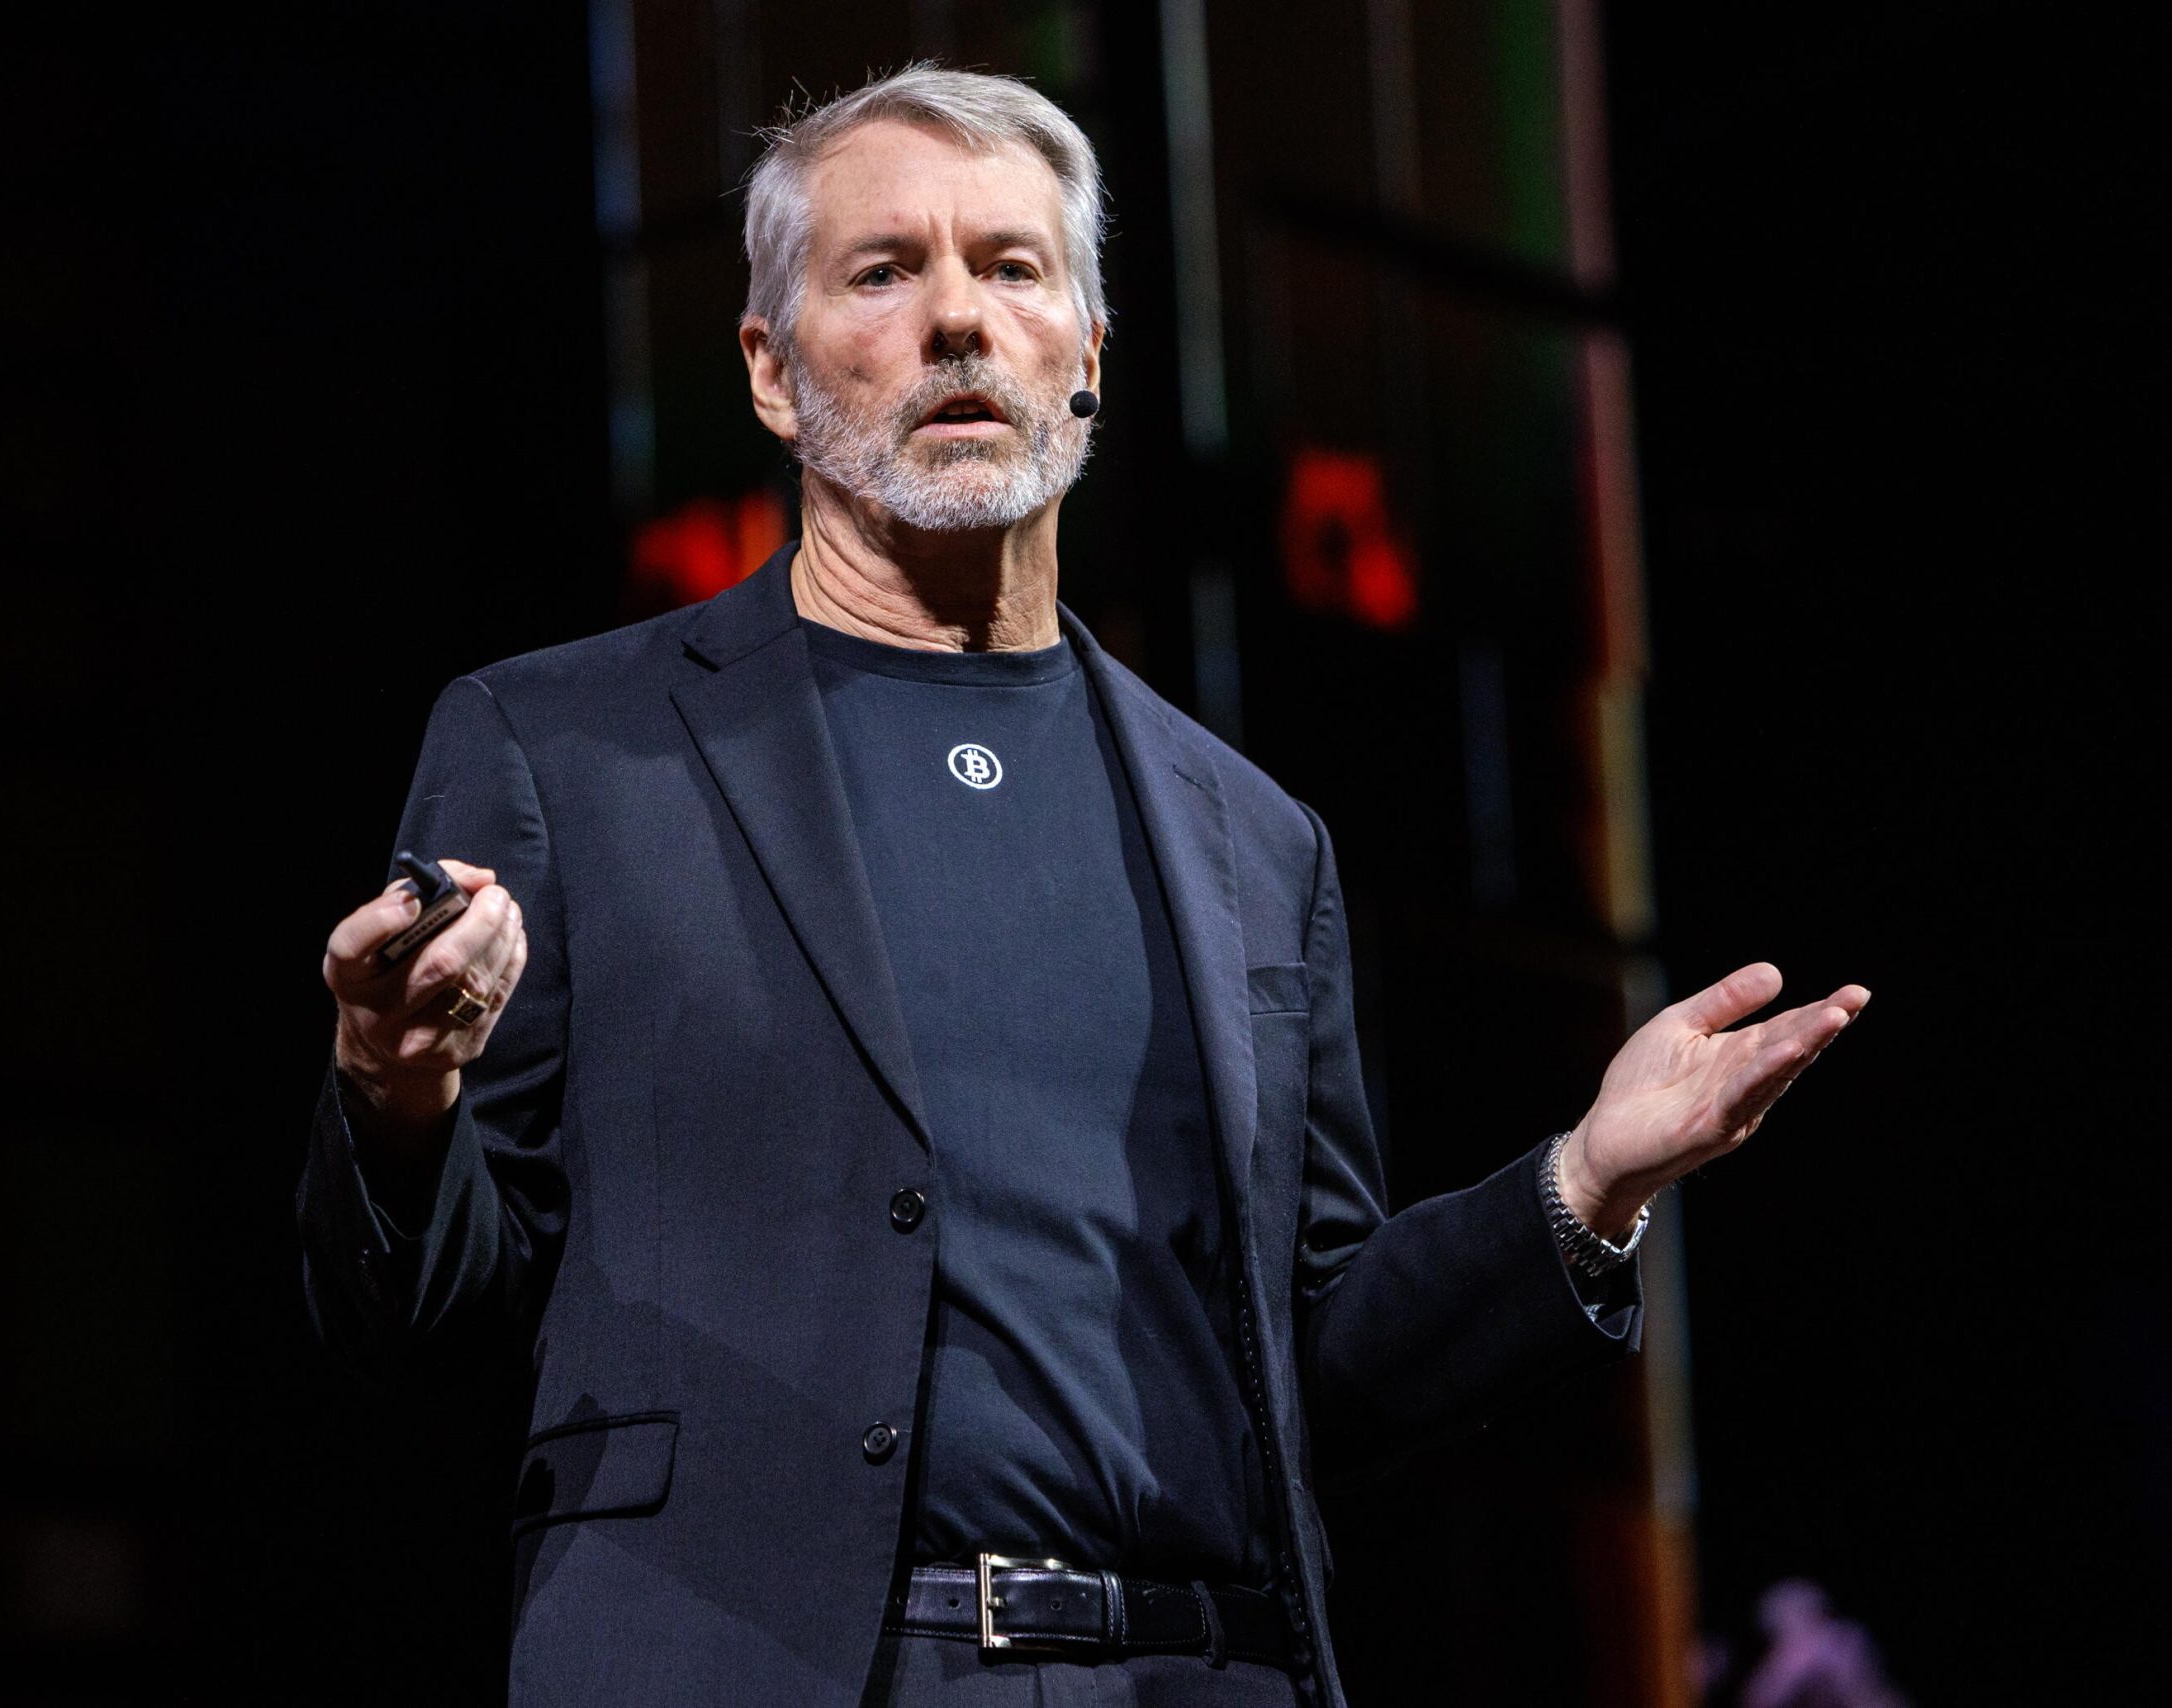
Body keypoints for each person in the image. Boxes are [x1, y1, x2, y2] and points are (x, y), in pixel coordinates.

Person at [301, 65, 1867, 1708]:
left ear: (1092, 358)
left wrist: (1582, 1188)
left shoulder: (1254, 838)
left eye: (1014, 267)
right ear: (770, 371)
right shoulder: (566, 749)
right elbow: (425, 1334)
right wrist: (394, 1094)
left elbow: (1313, 1373)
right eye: (886, 270)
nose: (959, 321)